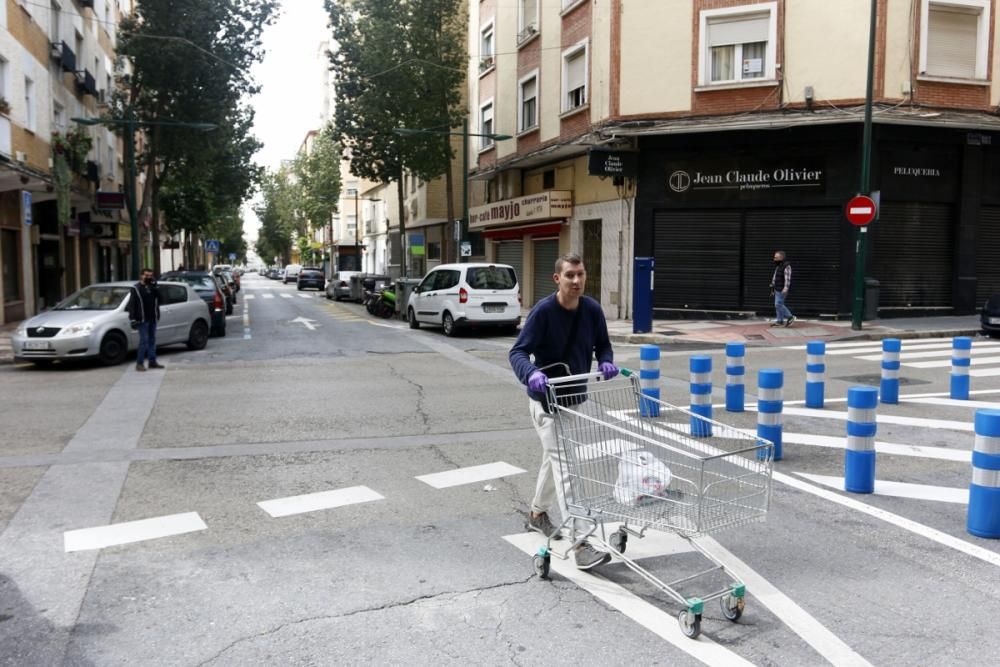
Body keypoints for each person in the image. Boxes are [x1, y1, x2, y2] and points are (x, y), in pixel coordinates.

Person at [509, 253, 618, 571]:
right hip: (545, 403)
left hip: (574, 401)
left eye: (580, 274)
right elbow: (517, 352)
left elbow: (603, 344)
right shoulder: (543, 312)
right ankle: (580, 541)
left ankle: (537, 514)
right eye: (570, 275)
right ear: (557, 279)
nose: (576, 280)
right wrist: (531, 373)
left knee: (554, 459)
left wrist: (606, 360)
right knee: (567, 467)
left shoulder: (592, 309)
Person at [127, 268, 163, 371]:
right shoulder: (136, 288)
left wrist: (156, 288)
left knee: (152, 340)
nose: (148, 278)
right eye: (146, 275)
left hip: (153, 318)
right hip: (142, 319)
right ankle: (139, 363)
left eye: (150, 276)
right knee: (144, 341)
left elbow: (161, 300)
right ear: (141, 276)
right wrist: (132, 318)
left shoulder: (153, 287)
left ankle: (152, 361)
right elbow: (131, 305)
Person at [770, 250, 795, 328]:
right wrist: (772, 284)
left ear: (781, 257)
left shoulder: (786, 266)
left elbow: (788, 279)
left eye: (776, 257)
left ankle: (790, 317)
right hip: (777, 288)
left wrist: (785, 288)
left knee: (778, 304)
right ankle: (780, 321)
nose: (774, 259)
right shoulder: (779, 265)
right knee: (778, 305)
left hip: (782, 289)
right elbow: (775, 275)